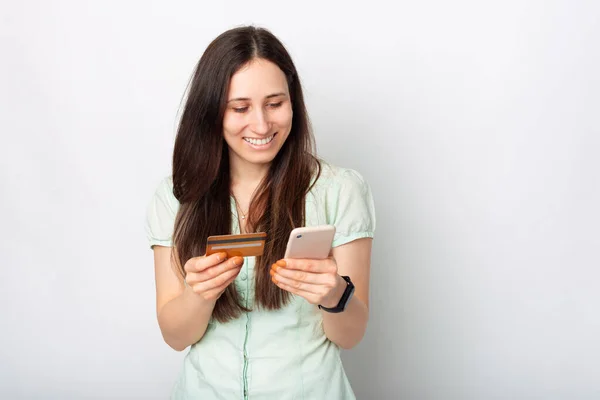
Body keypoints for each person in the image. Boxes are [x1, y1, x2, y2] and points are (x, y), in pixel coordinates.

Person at [145, 25, 376, 400]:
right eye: (240, 108)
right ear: (211, 111)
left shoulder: (339, 189)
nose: (262, 125)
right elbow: (176, 336)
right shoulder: (176, 196)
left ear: (293, 102)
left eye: (275, 103)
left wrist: (334, 293)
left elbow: (351, 335)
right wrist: (198, 295)